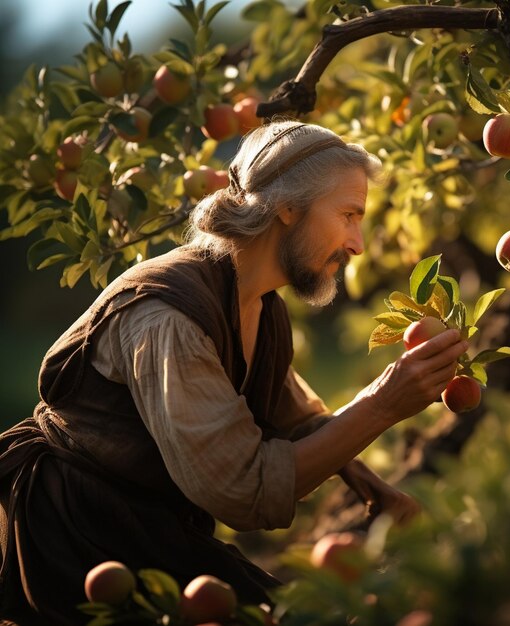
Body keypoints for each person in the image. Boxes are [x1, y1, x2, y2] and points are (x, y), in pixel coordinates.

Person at [0, 120, 468, 625]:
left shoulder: (260, 304)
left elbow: (296, 417)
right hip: (78, 534)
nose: (356, 243)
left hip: (149, 526)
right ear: (287, 208)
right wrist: (382, 405)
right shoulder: (170, 319)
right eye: (348, 215)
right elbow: (242, 493)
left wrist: (370, 485)